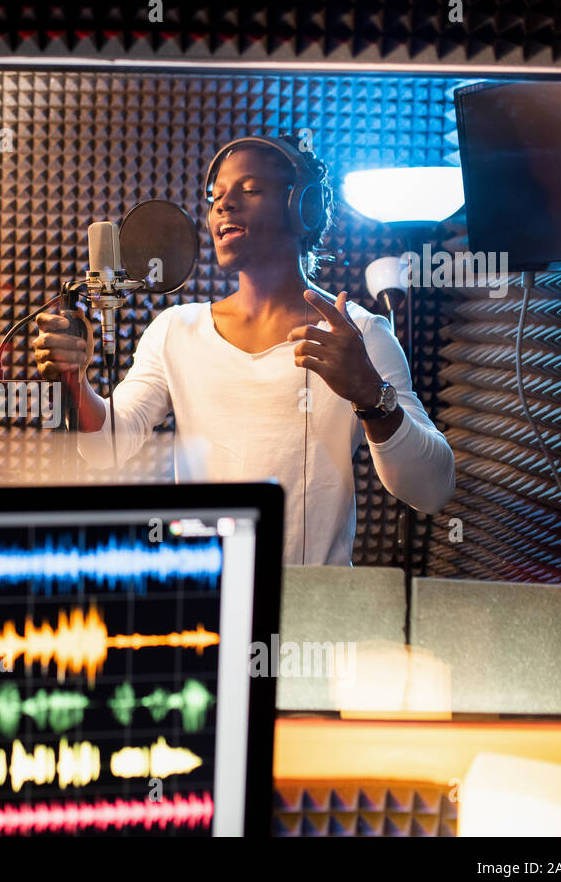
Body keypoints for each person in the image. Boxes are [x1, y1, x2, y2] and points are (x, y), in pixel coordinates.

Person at [31, 135, 455, 565]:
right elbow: (107, 447)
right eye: (216, 195)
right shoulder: (176, 330)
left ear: (302, 208)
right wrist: (75, 382)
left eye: (249, 189)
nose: (223, 204)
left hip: (312, 612)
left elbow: (432, 490)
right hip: (206, 600)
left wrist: (370, 396)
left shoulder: (357, 333)